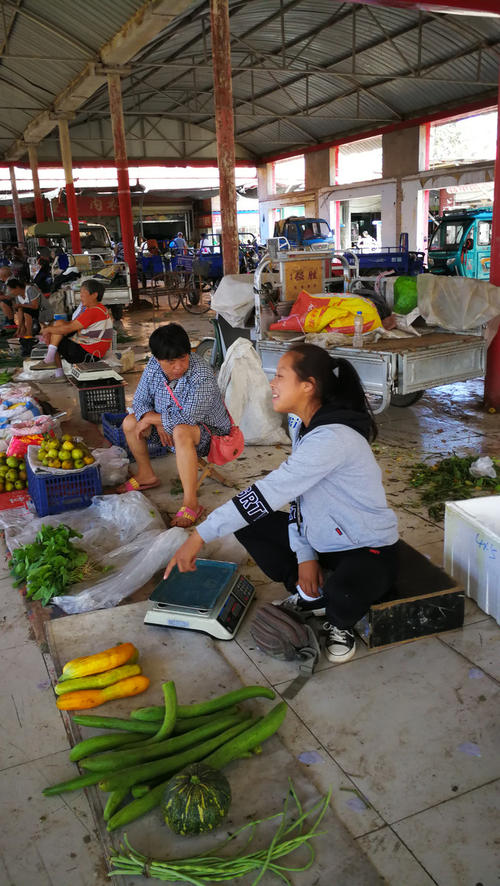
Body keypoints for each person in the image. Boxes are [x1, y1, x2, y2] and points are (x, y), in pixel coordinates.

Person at [164, 343, 400, 664]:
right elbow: (300, 500)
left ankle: (339, 622)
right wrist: (305, 556)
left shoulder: (331, 438)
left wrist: (199, 536)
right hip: (326, 538)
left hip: (366, 547)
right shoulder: (301, 425)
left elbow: (270, 492)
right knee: (252, 523)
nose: (271, 383)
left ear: (308, 386)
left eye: (280, 376)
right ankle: (308, 595)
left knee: (344, 593)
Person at [118, 323, 231, 528]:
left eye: (183, 358)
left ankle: (191, 503)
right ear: (158, 358)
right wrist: (158, 421)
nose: (178, 366)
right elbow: (140, 401)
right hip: (170, 427)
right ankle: (146, 474)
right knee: (129, 422)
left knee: (180, 431)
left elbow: (187, 418)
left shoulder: (202, 375)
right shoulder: (153, 366)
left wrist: (154, 420)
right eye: (170, 361)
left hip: (210, 435)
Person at [31, 278, 112, 378]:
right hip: (91, 349)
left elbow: (67, 329)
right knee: (59, 324)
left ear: (94, 295)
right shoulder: (98, 308)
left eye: (83, 295)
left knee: (54, 334)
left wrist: (47, 329)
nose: (81, 298)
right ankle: (52, 363)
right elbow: (71, 324)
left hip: (88, 354)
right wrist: (54, 326)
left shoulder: (93, 312)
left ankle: (53, 364)